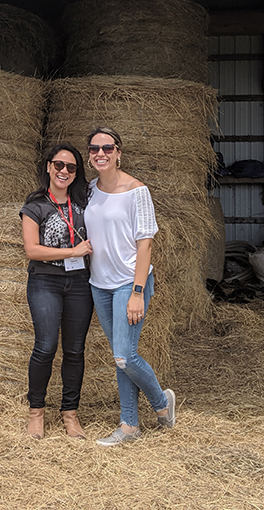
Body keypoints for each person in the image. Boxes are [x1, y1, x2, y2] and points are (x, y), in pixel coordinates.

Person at [83, 127, 176, 446]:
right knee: (120, 355)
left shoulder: (138, 191)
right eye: (94, 148)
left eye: (107, 148)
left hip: (129, 283)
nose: (101, 154)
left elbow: (146, 244)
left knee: (124, 356)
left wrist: (137, 292)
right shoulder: (90, 189)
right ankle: (130, 426)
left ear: (119, 152)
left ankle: (161, 403)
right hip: (100, 285)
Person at [20, 143, 93, 440]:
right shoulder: (35, 205)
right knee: (46, 346)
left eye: (71, 167)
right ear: (49, 167)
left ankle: (70, 413)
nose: (64, 171)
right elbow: (32, 250)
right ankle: (36, 412)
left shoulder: (86, 204)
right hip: (45, 282)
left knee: (75, 350)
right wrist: (73, 251)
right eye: (59, 165)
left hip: (79, 284)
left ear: (77, 173)